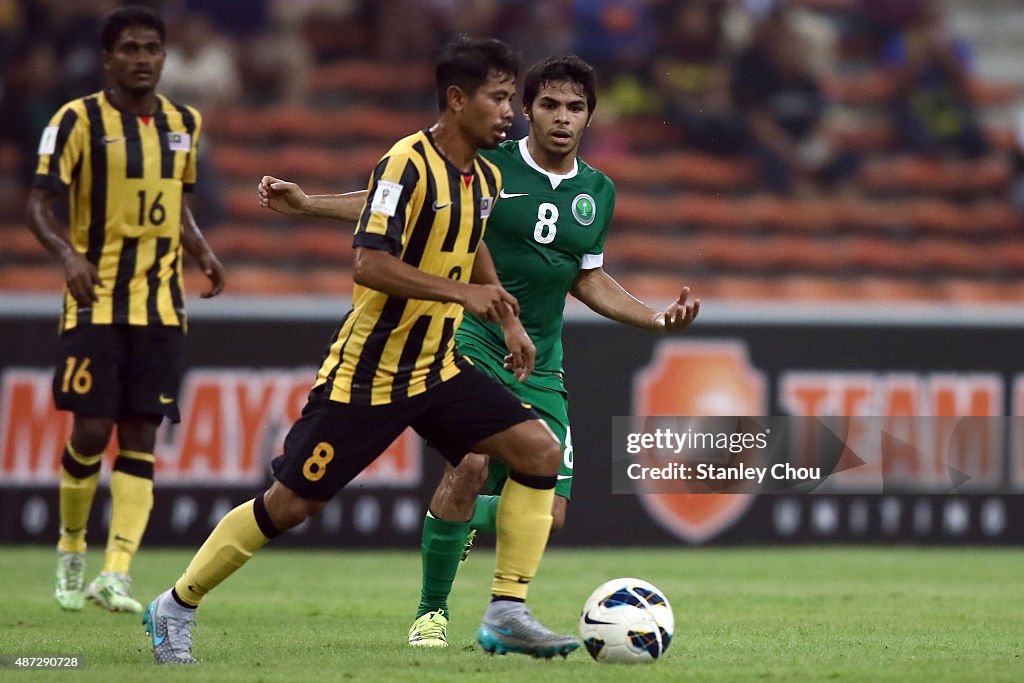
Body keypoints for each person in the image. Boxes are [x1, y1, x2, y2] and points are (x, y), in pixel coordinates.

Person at [143, 36, 581, 665]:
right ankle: (175, 605)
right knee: (291, 505)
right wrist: (463, 293)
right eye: (500, 98)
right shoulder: (406, 162)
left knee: (538, 449)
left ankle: (507, 610)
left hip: (436, 366)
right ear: (458, 100)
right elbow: (371, 263)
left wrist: (503, 309)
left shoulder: (483, 174)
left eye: (512, 98)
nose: (510, 112)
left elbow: (470, 235)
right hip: (368, 375)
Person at [257, 54, 700, 648]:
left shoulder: (598, 191)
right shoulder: (489, 164)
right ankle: (432, 612)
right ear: (527, 110)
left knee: (551, 513)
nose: (561, 118)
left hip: (541, 360)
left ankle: (454, 525)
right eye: (549, 105)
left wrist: (653, 317)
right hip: (469, 342)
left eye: (575, 107)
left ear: (590, 117)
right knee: (466, 464)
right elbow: (394, 202)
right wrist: (309, 204)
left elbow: (588, 277)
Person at [26, 5, 225, 616]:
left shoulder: (183, 123)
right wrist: (67, 255)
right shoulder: (75, 120)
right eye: (131, 48)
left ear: (165, 56)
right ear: (109, 58)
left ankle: (115, 572)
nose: (143, 58)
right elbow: (38, 201)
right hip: (96, 303)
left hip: (162, 307)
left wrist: (202, 250)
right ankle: (70, 552)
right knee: (90, 429)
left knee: (140, 437)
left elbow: (176, 201)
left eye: (152, 48)